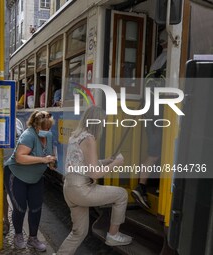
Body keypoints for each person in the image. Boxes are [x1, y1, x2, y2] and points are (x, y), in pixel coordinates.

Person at [57, 106, 132, 254]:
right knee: (122, 194)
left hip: (69, 188)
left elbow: (81, 163)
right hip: (82, 189)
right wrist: (115, 163)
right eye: (103, 121)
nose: (104, 125)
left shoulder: (76, 136)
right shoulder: (89, 139)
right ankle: (113, 234)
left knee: (79, 232)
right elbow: (95, 174)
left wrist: (106, 161)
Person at [4, 111, 56, 251]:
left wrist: (51, 162)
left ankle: (33, 238)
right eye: (44, 128)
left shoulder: (48, 136)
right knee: (20, 208)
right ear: (36, 126)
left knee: (36, 208)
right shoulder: (28, 135)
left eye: (49, 128)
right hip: (16, 175)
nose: (47, 131)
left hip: (35, 178)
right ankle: (18, 235)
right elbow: (20, 157)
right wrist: (43, 160)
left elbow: (49, 153)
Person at [131, 29, 168, 209]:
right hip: (160, 114)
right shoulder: (170, 60)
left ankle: (153, 186)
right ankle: (142, 186)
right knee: (155, 153)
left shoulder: (156, 63)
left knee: (156, 151)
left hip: (150, 113)